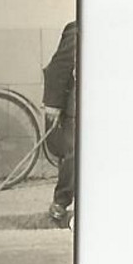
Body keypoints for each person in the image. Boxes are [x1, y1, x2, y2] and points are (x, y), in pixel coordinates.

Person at [43, 20, 78, 227]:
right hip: (79, 106)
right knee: (75, 154)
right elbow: (58, 68)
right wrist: (53, 104)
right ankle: (61, 201)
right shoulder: (78, 29)